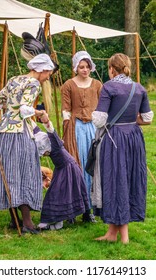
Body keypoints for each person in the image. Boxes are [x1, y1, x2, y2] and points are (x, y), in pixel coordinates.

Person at [0, 53, 55, 234]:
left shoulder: (15, 79)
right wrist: (39, 113)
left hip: (2, 132)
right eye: (49, 72)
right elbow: (25, 109)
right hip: (19, 134)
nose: (49, 76)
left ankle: (14, 220)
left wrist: (10, 111)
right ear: (42, 70)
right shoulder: (34, 83)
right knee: (24, 173)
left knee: (8, 173)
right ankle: (27, 223)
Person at [92, 53, 154, 243]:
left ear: (111, 68)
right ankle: (113, 233)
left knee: (115, 180)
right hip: (134, 138)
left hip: (114, 138)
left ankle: (122, 236)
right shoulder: (139, 87)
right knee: (128, 179)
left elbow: (99, 120)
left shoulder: (109, 87)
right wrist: (129, 120)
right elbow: (147, 118)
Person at [61, 51, 102, 223]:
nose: (85, 70)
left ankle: (89, 209)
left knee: (93, 165)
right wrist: (66, 129)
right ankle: (73, 209)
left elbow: (102, 108)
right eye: (81, 67)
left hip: (93, 127)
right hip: (76, 127)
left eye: (87, 67)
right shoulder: (68, 85)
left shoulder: (98, 85)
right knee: (76, 165)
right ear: (76, 67)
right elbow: (65, 109)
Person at [32, 119, 90, 230]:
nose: (44, 155)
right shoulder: (42, 138)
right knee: (64, 192)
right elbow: (35, 129)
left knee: (56, 194)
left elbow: (51, 130)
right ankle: (60, 219)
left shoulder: (55, 143)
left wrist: (46, 120)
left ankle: (55, 220)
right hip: (62, 169)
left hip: (69, 168)